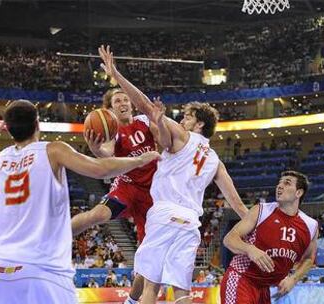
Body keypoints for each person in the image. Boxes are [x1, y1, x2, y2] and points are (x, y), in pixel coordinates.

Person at [99, 45, 248, 304]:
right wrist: (256, 227)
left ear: (199, 124)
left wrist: (117, 75)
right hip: (191, 223)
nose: (182, 120)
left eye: (187, 117)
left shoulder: (183, 136)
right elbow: (236, 203)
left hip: (165, 214)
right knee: (182, 293)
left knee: (150, 288)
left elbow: (144, 104)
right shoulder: (215, 161)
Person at [0, 101, 159, 304]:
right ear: (37, 124)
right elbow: (101, 168)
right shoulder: (53, 151)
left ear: (8, 130)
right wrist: (139, 161)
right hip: (44, 268)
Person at [71, 87, 162, 303]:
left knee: (149, 257)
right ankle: (55, 237)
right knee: (99, 214)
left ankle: (131, 300)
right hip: (128, 187)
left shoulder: (144, 121)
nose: (122, 103)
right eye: (117, 101)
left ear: (131, 103)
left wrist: (158, 120)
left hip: (155, 194)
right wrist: (95, 150)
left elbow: (163, 140)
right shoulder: (113, 131)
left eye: (125, 100)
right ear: (110, 109)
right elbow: (107, 152)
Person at [220, 171, 318, 304]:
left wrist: (293, 279)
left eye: (287, 183)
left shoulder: (311, 225)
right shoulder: (261, 211)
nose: (279, 186)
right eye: (279, 183)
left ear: (298, 193)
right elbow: (229, 239)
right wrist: (250, 249)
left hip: (264, 288)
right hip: (241, 279)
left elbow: (309, 259)